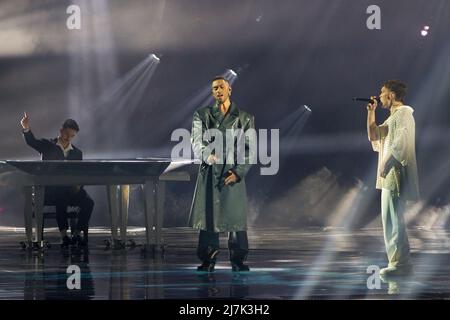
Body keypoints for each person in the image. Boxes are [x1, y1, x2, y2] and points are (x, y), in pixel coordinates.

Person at [189, 76, 255, 272]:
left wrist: (239, 172)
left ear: (229, 90)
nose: (217, 91)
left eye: (221, 87)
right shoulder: (202, 114)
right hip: (210, 172)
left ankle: (238, 257)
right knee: (209, 216)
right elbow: (196, 140)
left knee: (235, 217)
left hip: (231, 172)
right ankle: (207, 257)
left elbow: (249, 149)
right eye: (214, 88)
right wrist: (208, 155)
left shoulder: (244, 118)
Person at [366, 80, 419, 276]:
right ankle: (397, 262)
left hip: (395, 174)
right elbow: (374, 136)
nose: (379, 96)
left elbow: (401, 143)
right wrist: (371, 112)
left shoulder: (404, 113)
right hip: (388, 176)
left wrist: (385, 162)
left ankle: (401, 264)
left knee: (394, 220)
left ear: (392, 95)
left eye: (382, 93)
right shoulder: (391, 119)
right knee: (389, 219)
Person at [20, 112, 94, 248]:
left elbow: (80, 173)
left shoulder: (77, 153)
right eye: (67, 134)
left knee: (89, 202)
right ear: (61, 130)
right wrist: (26, 127)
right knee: (61, 196)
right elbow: (32, 142)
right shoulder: (48, 145)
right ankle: (64, 235)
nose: (68, 138)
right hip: (51, 191)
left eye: (72, 136)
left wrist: (79, 186)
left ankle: (77, 232)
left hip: (72, 190)